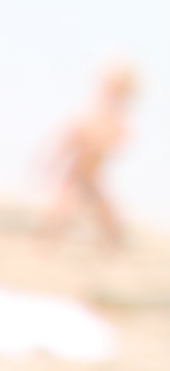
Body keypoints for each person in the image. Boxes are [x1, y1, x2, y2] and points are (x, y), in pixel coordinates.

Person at [42, 61, 138, 248]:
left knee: (94, 203)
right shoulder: (98, 109)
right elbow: (74, 132)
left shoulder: (113, 113)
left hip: (90, 167)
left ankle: (113, 238)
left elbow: (117, 135)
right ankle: (49, 235)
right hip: (80, 166)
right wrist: (60, 153)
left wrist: (102, 142)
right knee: (70, 200)